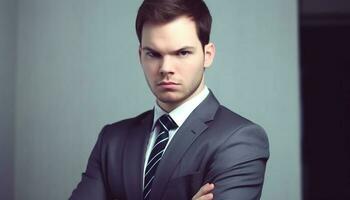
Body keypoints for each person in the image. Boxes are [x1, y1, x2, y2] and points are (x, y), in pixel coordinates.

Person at [70, 0, 269, 199]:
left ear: (207, 55)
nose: (166, 68)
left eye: (182, 53)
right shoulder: (112, 140)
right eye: (153, 54)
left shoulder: (239, 139)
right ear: (140, 56)